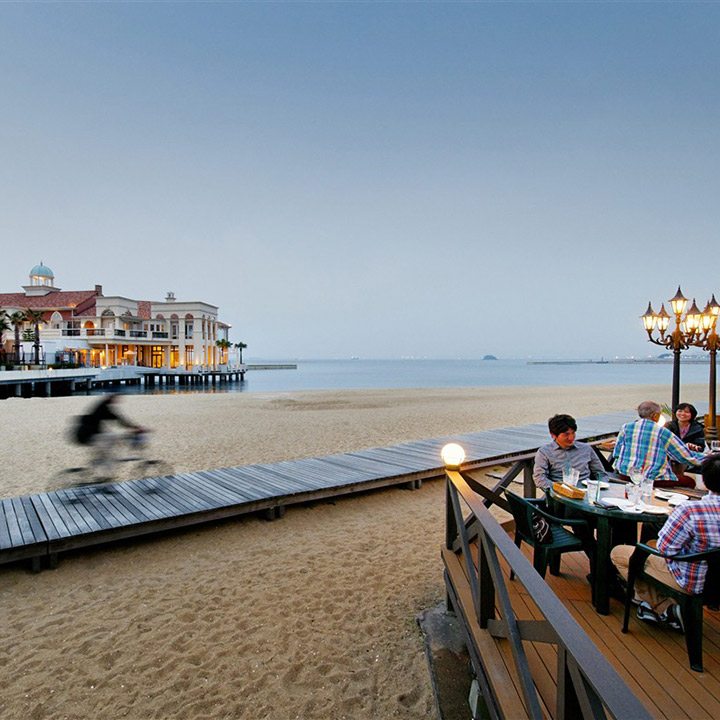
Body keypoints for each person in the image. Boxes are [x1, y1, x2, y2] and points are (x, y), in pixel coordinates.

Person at [611, 454, 720, 630]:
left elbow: (665, 549)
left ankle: (665, 608)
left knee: (620, 553)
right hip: (715, 584)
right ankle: (651, 606)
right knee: (652, 544)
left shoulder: (690, 510)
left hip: (691, 582)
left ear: (705, 482)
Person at [612, 401, 705, 489]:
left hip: (625, 474)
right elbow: (685, 457)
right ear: (655, 416)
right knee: (690, 482)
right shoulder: (662, 432)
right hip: (651, 479)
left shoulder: (626, 427)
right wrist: (710, 458)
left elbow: (616, 453)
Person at [74, 394, 146, 481]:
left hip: (90, 434)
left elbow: (117, 418)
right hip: (90, 435)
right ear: (110, 398)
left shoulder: (102, 405)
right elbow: (119, 419)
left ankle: (99, 471)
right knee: (110, 454)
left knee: (106, 450)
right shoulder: (103, 407)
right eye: (115, 398)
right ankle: (106, 477)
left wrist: (133, 427)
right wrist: (136, 428)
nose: (117, 399)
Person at [533, 413, 608, 491]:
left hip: (586, 491)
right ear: (553, 435)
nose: (571, 438)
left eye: (573, 433)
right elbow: (539, 479)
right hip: (560, 494)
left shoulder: (586, 449)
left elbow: (601, 474)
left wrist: (600, 487)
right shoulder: (544, 452)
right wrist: (560, 488)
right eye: (566, 435)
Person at [666, 403, 706, 486]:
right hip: (671, 455)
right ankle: (675, 481)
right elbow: (665, 442)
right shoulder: (669, 426)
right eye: (680, 411)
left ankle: (678, 482)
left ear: (692, 415)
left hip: (688, 456)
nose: (683, 414)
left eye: (687, 412)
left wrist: (693, 446)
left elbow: (701, 447)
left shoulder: (698, 429)